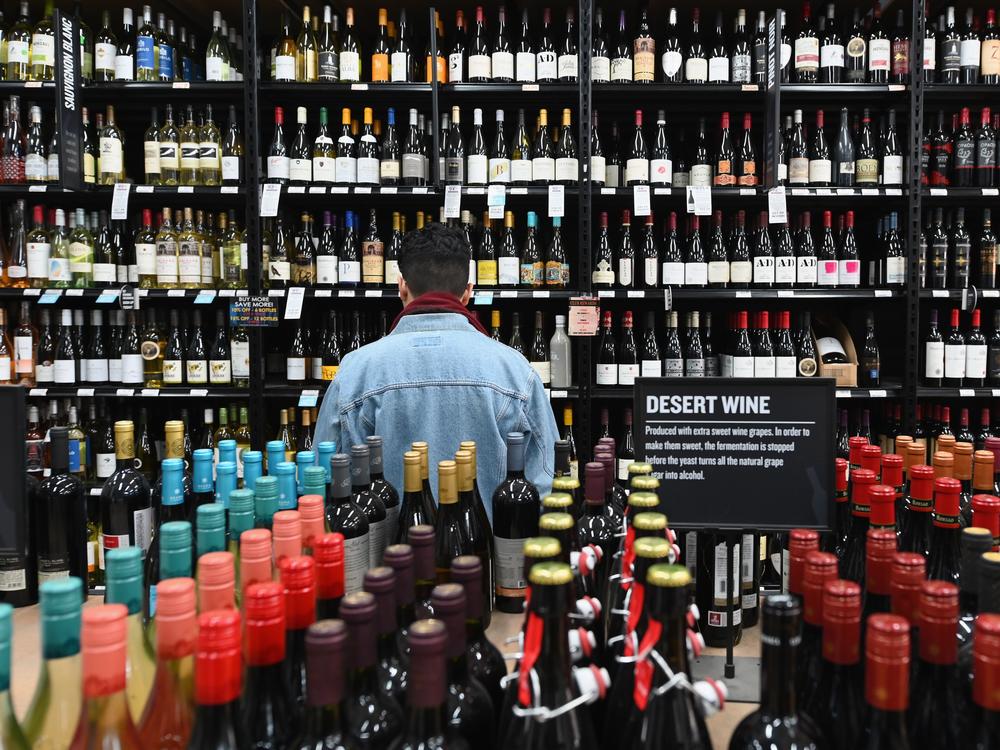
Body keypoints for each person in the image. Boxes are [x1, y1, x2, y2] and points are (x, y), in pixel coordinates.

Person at [314, 222, 558, 521]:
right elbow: (549, 490)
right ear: (468, 292)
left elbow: (322, 487)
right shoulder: (515, 371)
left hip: (383, 563)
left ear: (401, 285)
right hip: (490, 562)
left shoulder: (355, 372)